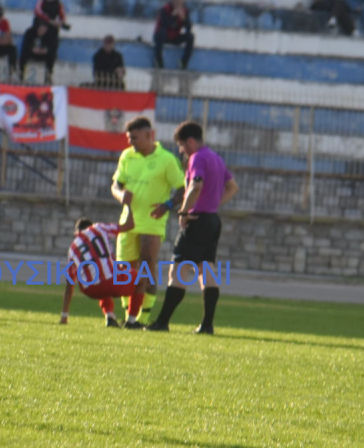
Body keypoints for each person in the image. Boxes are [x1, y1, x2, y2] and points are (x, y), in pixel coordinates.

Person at [146, 121, 238, 335]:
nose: (180, 151)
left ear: (190, 141)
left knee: (178, 269)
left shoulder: (197, 158)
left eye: (180, 145)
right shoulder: (215, 158)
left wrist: (184, 212)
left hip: (197, 220)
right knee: (206, 271)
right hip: (212, 220)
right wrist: (212, 204)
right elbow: (233, 187)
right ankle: (207, 325)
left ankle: (162, 322)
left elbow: (195, 186)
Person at [110, 116, 186, 325]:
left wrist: (167, 206)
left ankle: (141, 319)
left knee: (146, 267)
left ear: (148, 135)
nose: (130, 142)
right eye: (129, 138)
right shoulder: (127, 156)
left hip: (152, 223)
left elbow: (183, 188)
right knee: (124, 271)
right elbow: (116, 185)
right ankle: (129, 316)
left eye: (134, 138)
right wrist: (120, 195)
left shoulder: (167, 159)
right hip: (128, 222)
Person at [60, 192, 146, 328]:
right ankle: (131, 321)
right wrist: (128, 204)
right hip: (111, 282)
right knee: (142, 279)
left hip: (90, 289)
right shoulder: (98, 228)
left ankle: (110, 316)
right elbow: (129, 225)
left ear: (76, 233)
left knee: (97, 274)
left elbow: (69, 286)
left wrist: (64, 316)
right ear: (90, 226)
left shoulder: (72, 248)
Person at [153, 0, 194, 69]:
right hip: (163, 36)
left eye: (180, 3)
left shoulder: (185, 11)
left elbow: (189, 28)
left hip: (175, 37)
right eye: (176, 2)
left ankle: (183, 62)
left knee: (190, 36)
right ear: (172, 1)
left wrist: (184, 19)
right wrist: (172, 15)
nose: (178, 4)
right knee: (161, 33)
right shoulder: (165, 9)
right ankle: (159, 62)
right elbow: (164, 24)